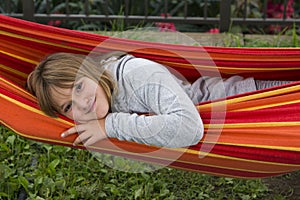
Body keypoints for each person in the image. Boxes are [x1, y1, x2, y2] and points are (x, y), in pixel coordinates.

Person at [26, 51, 292, 148]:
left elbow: (191, 129)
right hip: (248, 120)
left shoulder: (137, 74)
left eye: (79, 86)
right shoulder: (102, 94)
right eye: (68, 106)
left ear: (90, 70)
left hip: (260, 102)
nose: (83, 103)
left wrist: (110, 125)